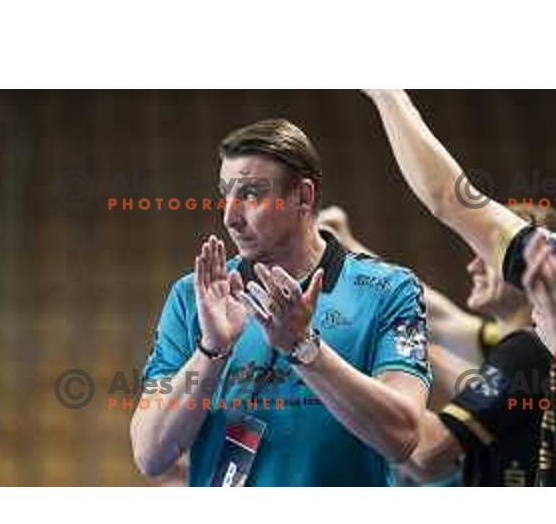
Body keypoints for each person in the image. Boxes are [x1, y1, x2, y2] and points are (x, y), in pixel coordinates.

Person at [130, 118, 432, 486]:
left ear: (304, 196)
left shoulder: (388, 290)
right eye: (226, 194)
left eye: (251, 195)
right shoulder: (194, 296)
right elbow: (150, 454)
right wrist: (211, 351)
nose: (230, 217)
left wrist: (304, 349)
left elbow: (402, 437)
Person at [363, 89, 556, 485]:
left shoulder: (524, 349)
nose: (474, 262)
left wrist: (322, 365)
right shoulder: (517, 344)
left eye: (486, 254)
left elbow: (425, 454)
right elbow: (434, 317)